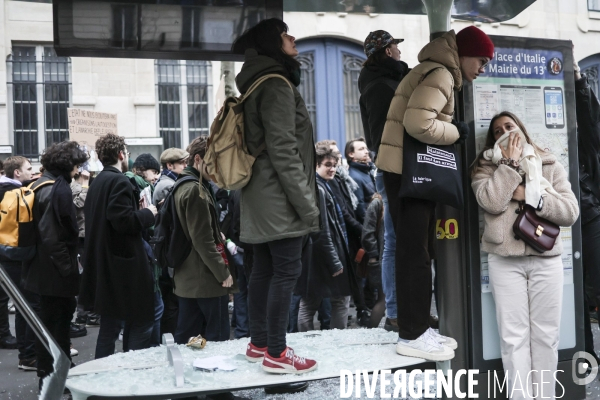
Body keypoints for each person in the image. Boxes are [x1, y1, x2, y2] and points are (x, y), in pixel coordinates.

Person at [376, 25, 492, 360]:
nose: (482, 69)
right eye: (481, 60)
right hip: (407, 172)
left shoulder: (435, 70)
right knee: (415, 253)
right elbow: (419, 124)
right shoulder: (441, 74)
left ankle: (418, 329)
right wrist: (457, 131)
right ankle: (412, 335)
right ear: (464, 53)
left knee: (417, 251)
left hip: (402, 170)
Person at [233, 18, 319, 374]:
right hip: (280, 197)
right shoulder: (277, 85)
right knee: (286, 272)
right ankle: (278, 354)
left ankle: (260, 343)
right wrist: (308, 207)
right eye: (285, 35)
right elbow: (285, 151)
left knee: (264, 271)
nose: (293, 38)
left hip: (260, 194)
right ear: (273, 43)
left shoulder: (255, 84)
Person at [471, 112, 578, 399]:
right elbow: (492, 202)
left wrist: (532, 196)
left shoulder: (548, 162)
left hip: (546, 259)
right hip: (504, 261)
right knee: (513, 338)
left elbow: (570, 211)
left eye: (509, 126)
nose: (504, 132)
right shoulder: (484, 168)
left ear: (521, 128)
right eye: (497, 131)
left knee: (546, 336)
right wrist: (506, 166)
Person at [79, 134, 158, 359]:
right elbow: (123, 221)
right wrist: (147, 213)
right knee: (139, 323)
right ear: (121, 154)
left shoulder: (98, 181)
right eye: (127, 153)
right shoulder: (119, 180)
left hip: (107, 262)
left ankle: (102, 376)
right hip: (122, 266)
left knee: (110, 327)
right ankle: (130, 369)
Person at [21, 141, 88, 385]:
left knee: (49, 326)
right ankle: (54, 379)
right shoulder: (56, 188)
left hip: (39, 268)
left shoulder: (39, 183)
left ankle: (51, 377)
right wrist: (68, 270)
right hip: (54, 272)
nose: (78, 169)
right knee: (57, 327)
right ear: (68, 164)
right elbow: (53, 236)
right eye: (77, 164)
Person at [358, 30, 409, 333]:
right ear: (387, 51)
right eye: (395, 47)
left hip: (393, 166)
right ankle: (395, 311)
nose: (400, 52)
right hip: (394, 167)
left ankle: (399, 310)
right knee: (393, 241)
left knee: (397, 240)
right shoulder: (380, 85)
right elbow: (384, 134)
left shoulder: (379, 80)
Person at [173, 137, 236, 344]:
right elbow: (202, 240)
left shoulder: (185, 184)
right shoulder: (195, 189)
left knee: (190, 340)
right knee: (216, 340)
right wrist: (223, 272)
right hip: (205, 279)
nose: (218, 169)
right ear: (198, 159)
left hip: (190, 279)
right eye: (214, 162)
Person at [296, 146, 353, 331]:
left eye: (335, 165)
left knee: (313, 301)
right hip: (322, 255)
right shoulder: (318, 188)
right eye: (328, 164)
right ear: (316, 165)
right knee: (333, 301)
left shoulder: (321, 185)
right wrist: (335, 262)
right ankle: (334, 343)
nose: (333, 169)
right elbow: (322, 231)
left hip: (318, 255)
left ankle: (309, 342)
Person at [573, 54, 600, 366]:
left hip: (590, 215)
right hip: (561, 220)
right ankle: (586, 352)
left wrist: (579, 80)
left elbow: (591, 118)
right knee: (575, 291)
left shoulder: (585, 138)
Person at [0, 157, 38, 371]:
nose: (32, 172)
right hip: (17, 256)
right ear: (16, 172)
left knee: (18, 302)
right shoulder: (18, 193)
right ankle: (28, 355)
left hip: (3, 254)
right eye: (28, 169)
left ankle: (26, 354)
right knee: (28, 305)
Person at [361, 192, 386, 328]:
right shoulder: (378, 203)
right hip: (382, 258)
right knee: (383, 298)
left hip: (395, 257)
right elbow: (367, 233)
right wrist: (374, 255)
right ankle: (371, 332)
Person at [345, 138, 375, 224]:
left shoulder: (368, 171)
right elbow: (361, 209)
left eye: (366, 148)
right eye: (361, 149)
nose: (366, 152)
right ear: (351, 154)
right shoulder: (354, 177)